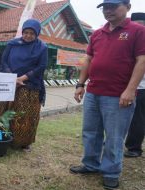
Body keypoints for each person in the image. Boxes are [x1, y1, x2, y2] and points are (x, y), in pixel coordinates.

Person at [69, 0, 145, 189]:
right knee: (90, 133)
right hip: (93, 93)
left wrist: (129, 90)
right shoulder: (97, 33)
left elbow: (142, 60)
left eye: (113, 6)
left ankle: (111, 171)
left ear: (127, 7)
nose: (108, 11)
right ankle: (91, 164)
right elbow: (88, 58)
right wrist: (80, 84)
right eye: (105, 7)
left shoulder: (138, 31)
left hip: (118, 95)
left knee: (114, 136)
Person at [0, 19, 48, 151]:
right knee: (2, 111)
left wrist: (23, 78)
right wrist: (13, 78)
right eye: (26, 32)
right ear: (22, 31)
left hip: (29, 85)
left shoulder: (42, 47)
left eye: (32, 33)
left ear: (37, 34)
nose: (28, 35)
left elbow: (41, 66)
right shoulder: (12, 44)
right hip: (9, 83)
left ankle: (22, 143)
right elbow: (3, 61)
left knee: (24, 115)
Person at [124, 12, 145, 158]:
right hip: (125, 85)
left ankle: (134, 147)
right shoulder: (129, 39)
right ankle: (115, 140)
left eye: (140, 24)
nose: (137, 27)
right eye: (135, 24)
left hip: (142, 87)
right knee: (119, 116)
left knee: (138, 118)